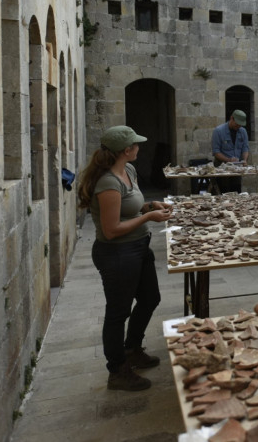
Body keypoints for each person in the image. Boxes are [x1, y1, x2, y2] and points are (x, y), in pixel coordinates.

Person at [77, 125, 173, 391]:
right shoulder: (108, 182)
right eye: (136, 144)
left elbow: (131, 207)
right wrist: (148, 217)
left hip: (139, 247)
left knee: (150, 298)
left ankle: (132, 349)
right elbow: (111, 229)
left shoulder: (128, 170)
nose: (139, 147)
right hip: (117, 253)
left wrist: (151, 205)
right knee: (118, 312)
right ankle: (117, 370)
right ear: (125, 150)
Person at [211, 110, 250, 193]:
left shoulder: (243, 132)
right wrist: (228, 160)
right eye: (237, 124)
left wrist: (244, 160)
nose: (238, 126)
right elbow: (216, 152)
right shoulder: (218, 131)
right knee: (223, 191)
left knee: (236, 191)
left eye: (240, 125)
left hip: (236, 168)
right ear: (231, 118)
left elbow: (245, 148)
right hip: (221, 168)